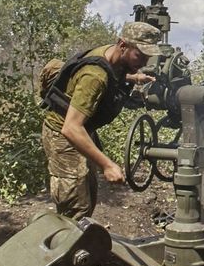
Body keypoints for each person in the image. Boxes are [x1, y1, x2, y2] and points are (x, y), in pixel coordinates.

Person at [40, 22, 159, 220]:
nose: (145, 61)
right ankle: (66, 247)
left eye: (148, 56)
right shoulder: (94, 76)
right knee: (76, 210)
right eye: (140, 55)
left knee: (87, 198)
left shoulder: (111, 57)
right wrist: (108, 165)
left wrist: (133, 78)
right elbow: (70, 128)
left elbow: (113, 74)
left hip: (82, 131)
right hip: (65, 136)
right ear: (122, 45)